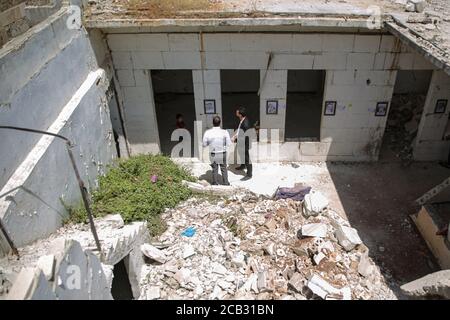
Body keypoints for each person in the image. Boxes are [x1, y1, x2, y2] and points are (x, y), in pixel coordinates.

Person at [202, 116, 232, 186]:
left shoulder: (208, 132)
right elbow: (229, 144)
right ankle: (226, 183)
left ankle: (215, 183)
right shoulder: (225, 132)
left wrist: (211, 143)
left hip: (213, 153)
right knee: (224, 168)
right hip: (222, 153)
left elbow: (204, 144)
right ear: (220, 123)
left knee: (214, 169)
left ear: (212, 123)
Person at [232, 107, 252, 181]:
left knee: (247, 158)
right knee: (241, 155)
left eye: (237, 112)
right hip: (241, 142)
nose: (236, 113)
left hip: (244, 143)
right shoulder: (242, 120)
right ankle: (243, 166)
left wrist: (238, 139)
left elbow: (246, 135)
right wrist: (235, 136)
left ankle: (249, 174)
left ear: (240, 114)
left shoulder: (246, 123)